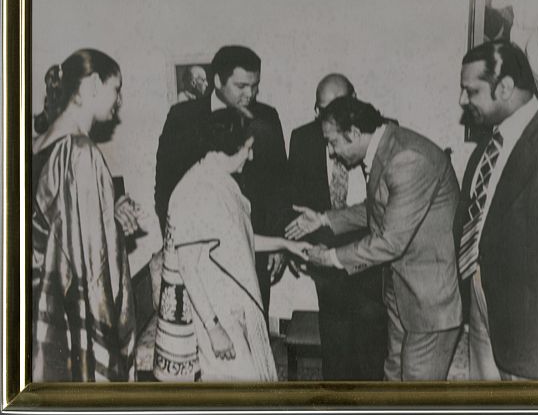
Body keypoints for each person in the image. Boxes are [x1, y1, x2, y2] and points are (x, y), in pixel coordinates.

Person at [286, 97, 462, 381]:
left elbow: (390, 241)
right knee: (392, 375)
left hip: (429, 301)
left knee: (416, 391)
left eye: (333, 143)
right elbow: (378, 207)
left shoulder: (407, 158)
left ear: (354, 134)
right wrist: (323, 218)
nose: (331, 152)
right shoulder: (386, 146)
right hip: (400, 292)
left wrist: (331, 258)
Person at [153, 110, 310, 382]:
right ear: (224, 149)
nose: (251, 156)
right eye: (247, 149)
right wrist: (214, 330)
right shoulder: (194, 191)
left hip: (231, 307)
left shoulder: (220, 181)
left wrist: (285, 244)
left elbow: (240, 240)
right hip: (214, 315)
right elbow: (188, 268)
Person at [154, 46, 290, 316]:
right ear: (217, 81)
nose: (249, 94)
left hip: (255, 248)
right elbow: (165, 189)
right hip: (199, 254)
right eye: (241, 85)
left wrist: (278, 240)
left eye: (254, 86)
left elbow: (279, 185)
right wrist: (177, 245)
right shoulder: (182, 118)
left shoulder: (267, 118)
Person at [456, 40, 538, 381]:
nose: (462, 101)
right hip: (482, 306)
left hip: (533, 335)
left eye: (471, 91)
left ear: (504, 87)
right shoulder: (486, 148)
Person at [32, 49, 138, 381]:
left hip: (34, 306)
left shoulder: (36, 144)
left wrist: (110, 216)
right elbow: (92, 264)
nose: (118, 101)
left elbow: (59, 233)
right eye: (116, 89)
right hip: (66, 318)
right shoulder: (79, 152)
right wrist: (113, 229)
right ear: (92, 85)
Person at [288, 74, 387, 380]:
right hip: (325, 254)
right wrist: (293, 242)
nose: (328, 119)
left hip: (372, 256)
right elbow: (295, 197)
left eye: (337, 108)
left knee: (370, 346)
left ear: (354, 100)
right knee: (335, 345)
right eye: (321, 110)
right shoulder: (303, 138)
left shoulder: (381, 133)